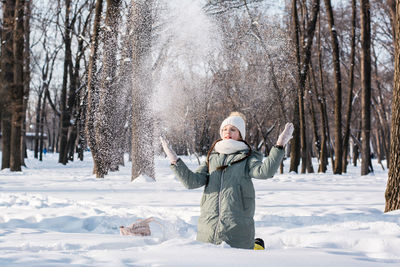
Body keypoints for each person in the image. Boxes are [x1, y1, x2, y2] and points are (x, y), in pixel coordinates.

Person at [160, 112, 294, 249]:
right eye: (224, 129)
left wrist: (279, 146)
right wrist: (175, 160)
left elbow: (265, 172)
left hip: (236, 229)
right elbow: (191, 182)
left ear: (240, 134)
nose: (227, 132)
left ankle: (256, 246)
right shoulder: (212, 157)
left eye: (232, 129)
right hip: (208, 228)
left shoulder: (247, 157)